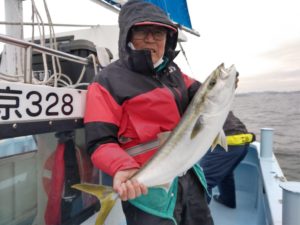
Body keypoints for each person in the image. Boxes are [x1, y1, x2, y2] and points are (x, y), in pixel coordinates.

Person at [84, 0, 214, 224]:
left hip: (189, 176)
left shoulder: (174, 73)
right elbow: (100, 141)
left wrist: (225, 96)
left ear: (168, 39)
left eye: (159, 33)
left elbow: (206, 98)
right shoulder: (107, 81)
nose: (151, 39)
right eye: (143, 32)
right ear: (127, 36)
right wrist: (123, 168)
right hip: (145, 188)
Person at [199, 111, 255, 208]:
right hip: (243, 142)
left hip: (227, 143)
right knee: (226, 173)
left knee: (201, 181)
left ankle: (198, 218)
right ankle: (227, 200)